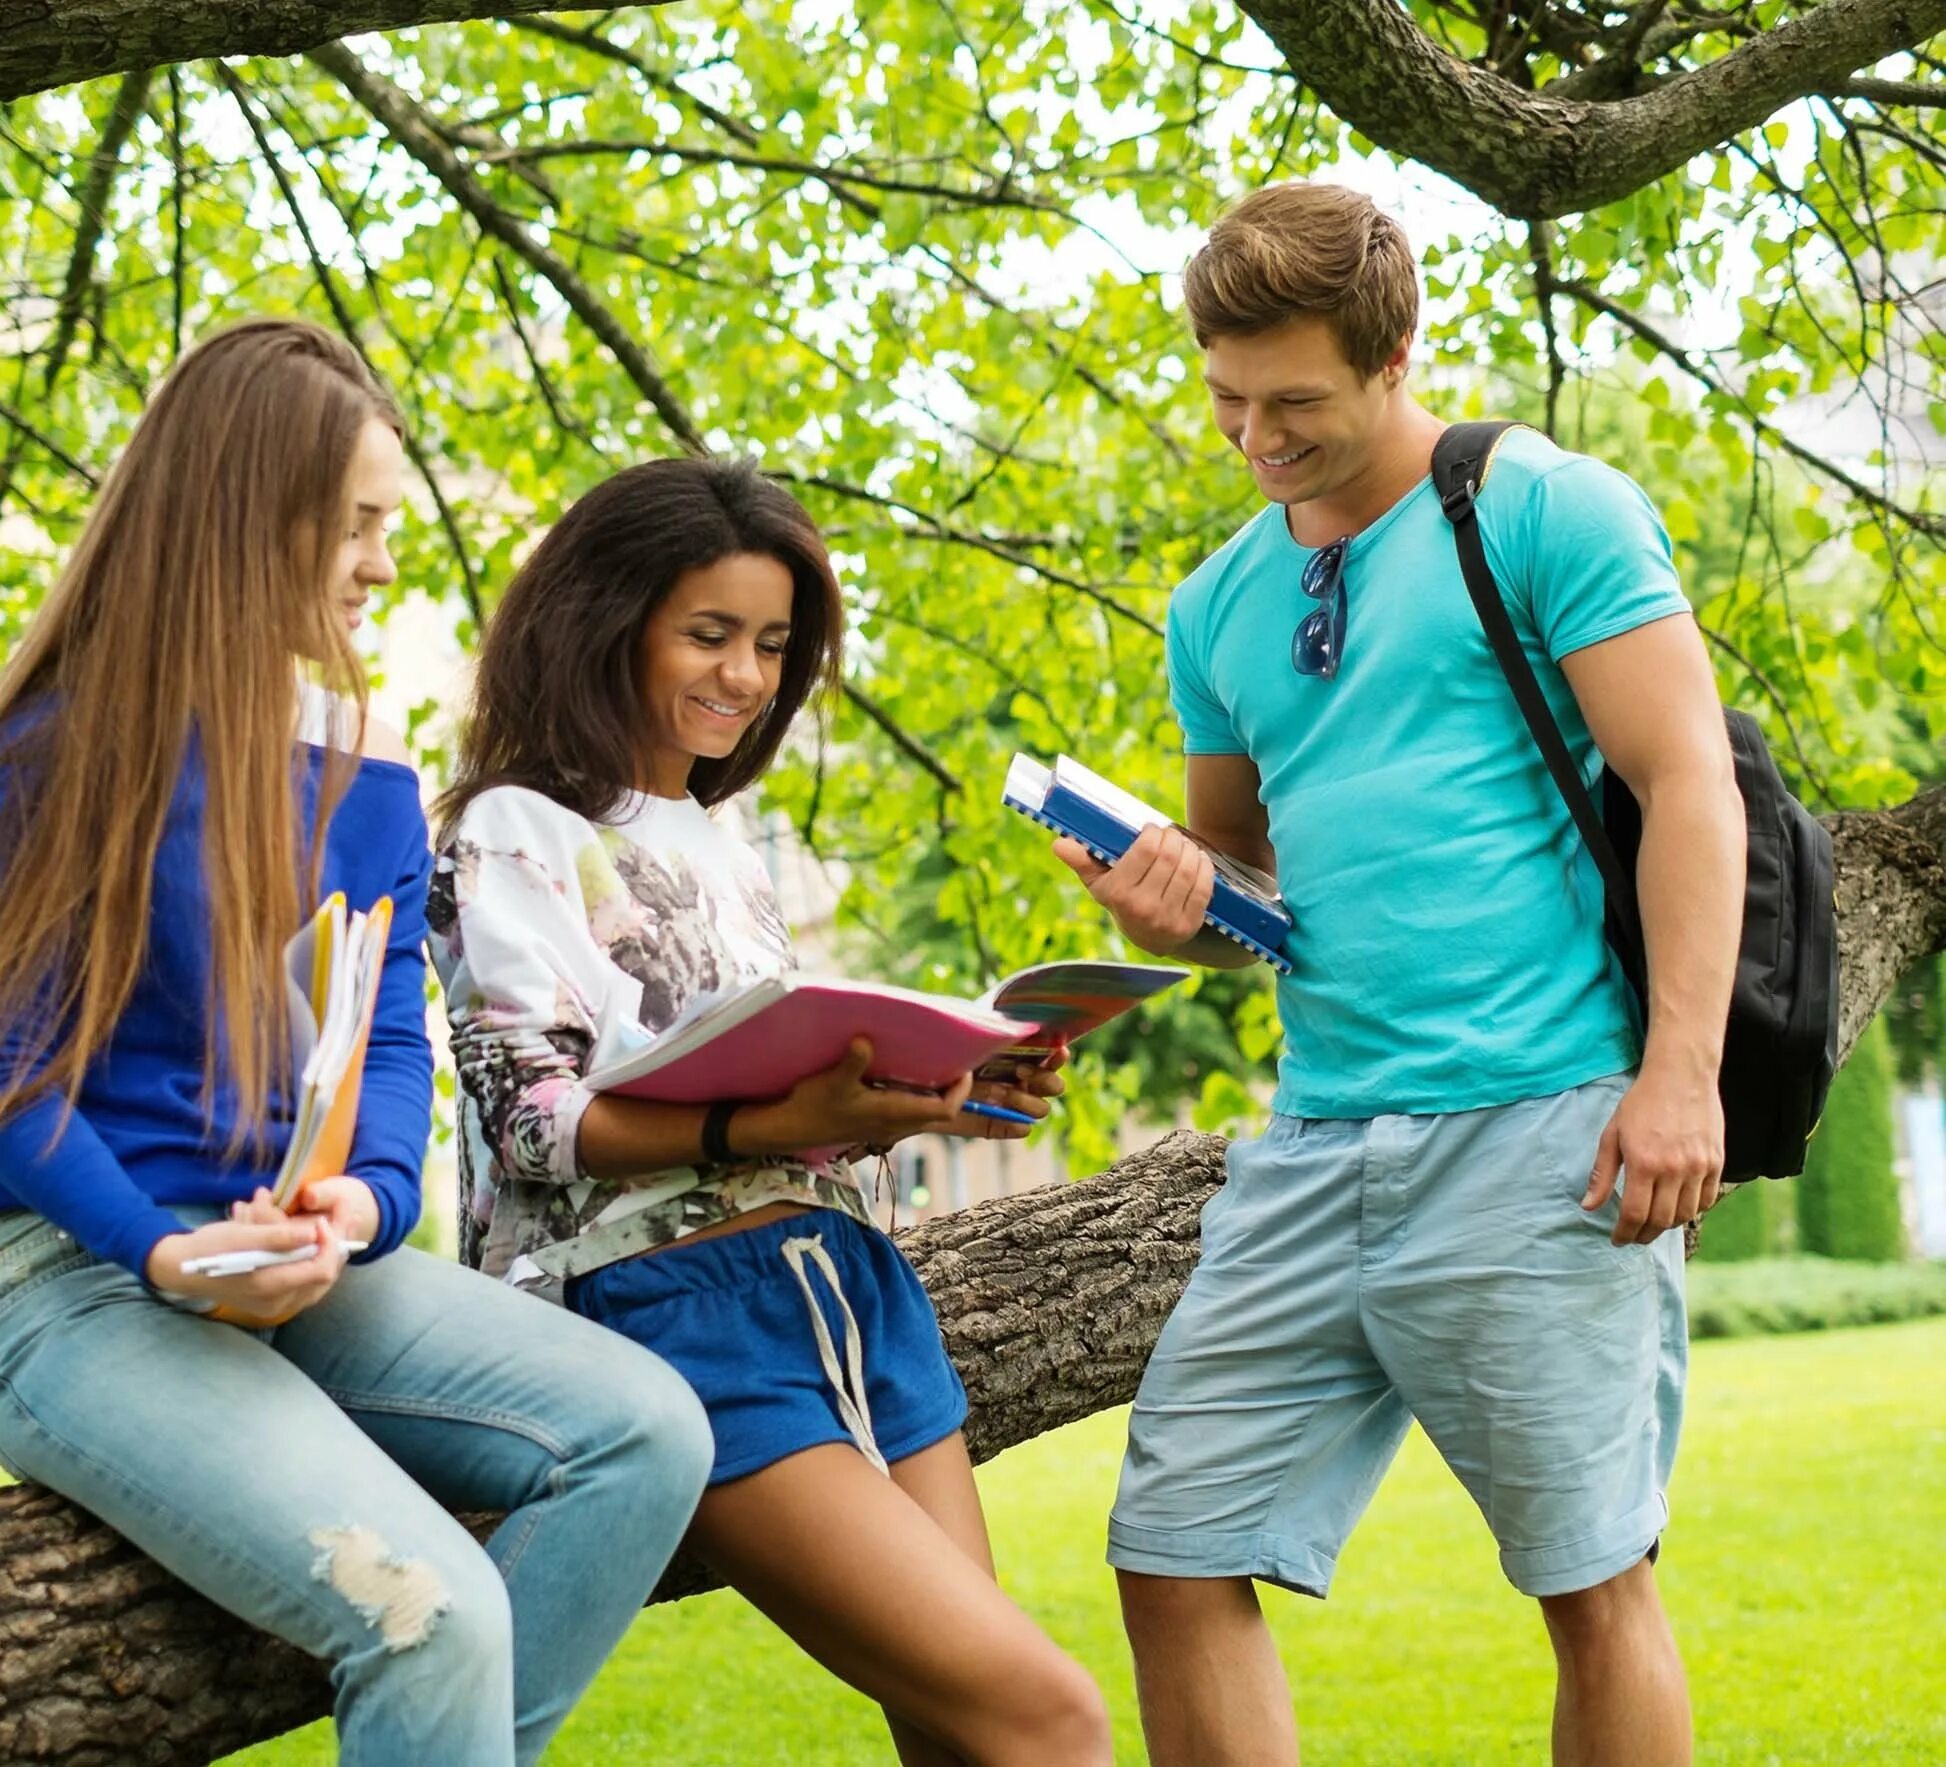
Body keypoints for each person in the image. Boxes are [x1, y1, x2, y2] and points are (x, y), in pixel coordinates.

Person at [0, 317, 711, 1766]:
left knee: (649, 1429)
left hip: (298, 1260)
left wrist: (366, 1202)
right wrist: (157, 1248)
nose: (384, 561)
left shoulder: (367, 790)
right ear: (251, 518)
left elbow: (390, 1047)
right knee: (430, 1609)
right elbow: (0, 1076)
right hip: (75, 1281)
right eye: (359, 524)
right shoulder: (48, 759)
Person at [1060, 184, 1742, 1767]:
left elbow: (1685, 784)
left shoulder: (1540, 509)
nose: (1255, 436)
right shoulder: (1216, 600)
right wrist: (1169, 892)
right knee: (1170, 1547)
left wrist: (1678, 1075)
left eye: (1292, 400)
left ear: (1393, 354)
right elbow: (1245, 872)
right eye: (1227, 397)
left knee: (1590, 1582)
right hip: (1311, 1144)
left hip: (1541, 1125)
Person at [430, 457, 1111, 1767]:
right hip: (668, 1314)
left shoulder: (716, 832)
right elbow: (535, 1126)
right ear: (604, 618)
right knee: (1047, 1715)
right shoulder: (510, 828)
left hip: (848, 1282)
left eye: (770, 644)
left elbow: (772, 1092)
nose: (743, 675)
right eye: (708, 633)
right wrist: (770, 1119)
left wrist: (931, 1093)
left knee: (962, 1731)